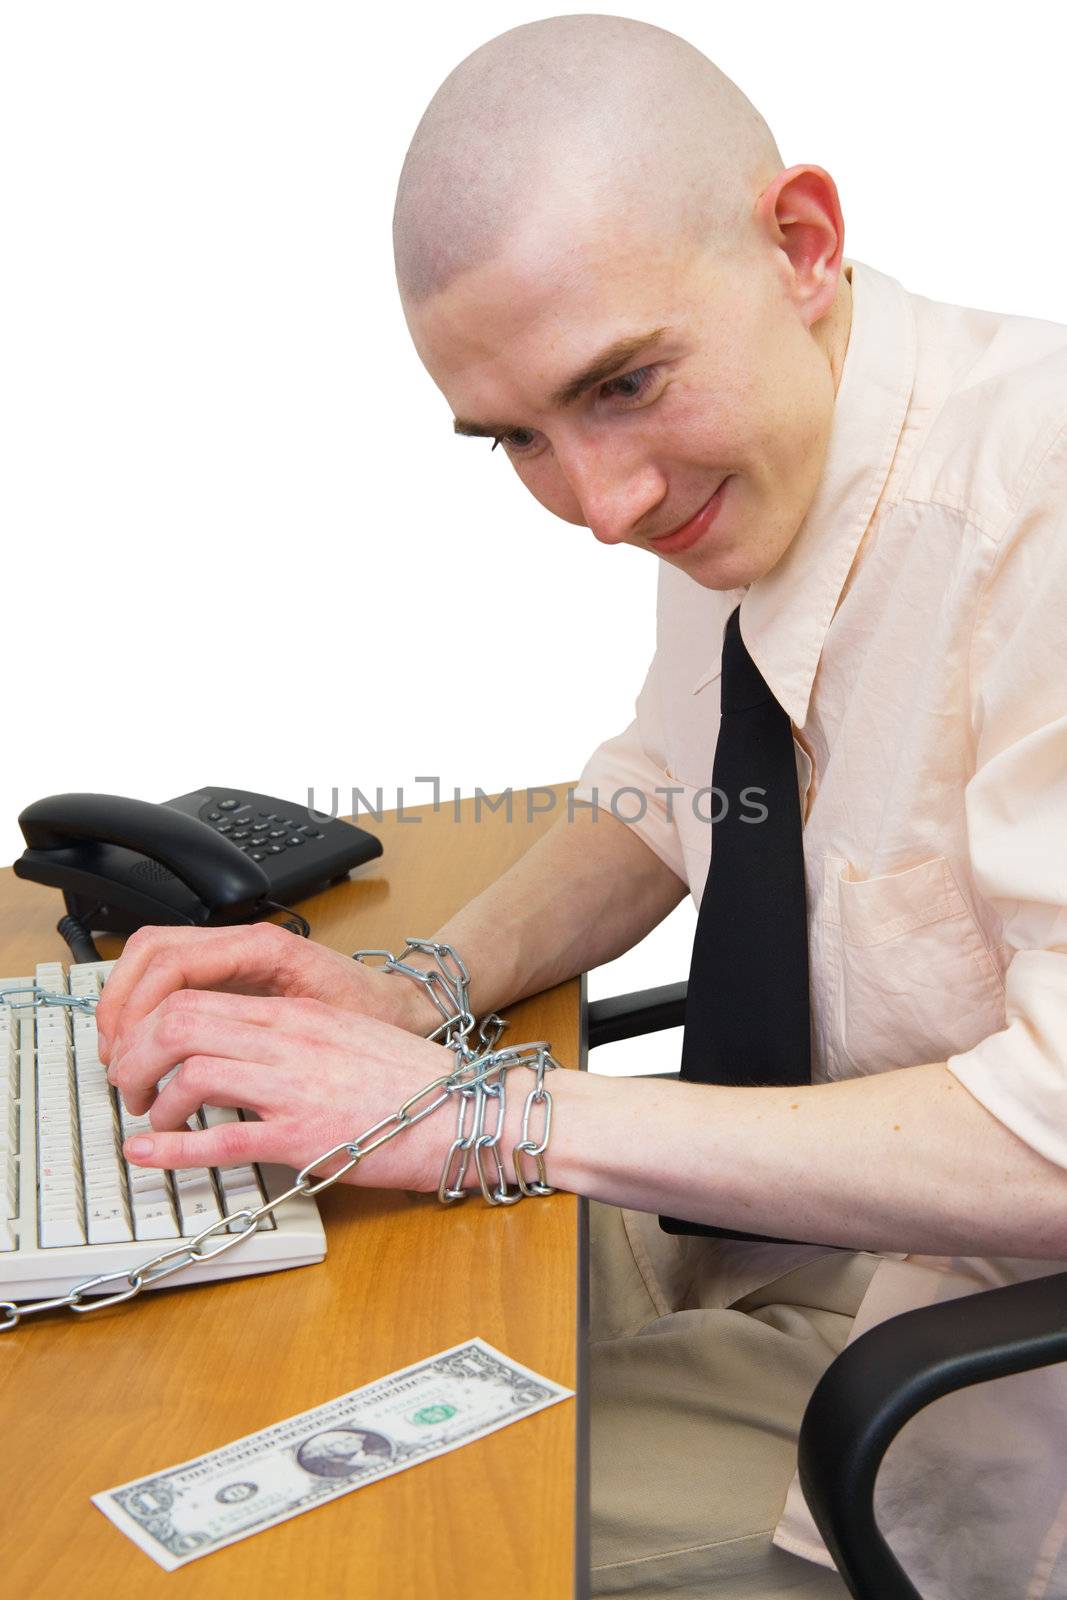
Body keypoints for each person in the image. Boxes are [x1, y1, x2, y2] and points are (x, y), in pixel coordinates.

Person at [94, 15, 1067, 1598]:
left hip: (962, 1371)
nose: (602, 508)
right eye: (520, 442)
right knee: (248, 1292)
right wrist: (410, 993)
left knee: (282, 1532)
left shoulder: (1041, 502)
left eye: (621, 386)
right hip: (764, 1230)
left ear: (801, 243)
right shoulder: (766, 455)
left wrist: (481, 1114)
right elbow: (665, 793)